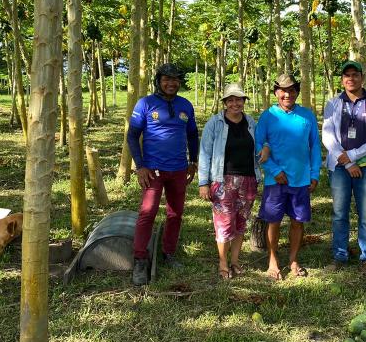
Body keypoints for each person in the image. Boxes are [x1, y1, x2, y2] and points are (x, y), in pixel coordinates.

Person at [127, 63, 199, 286]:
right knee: (147, 212)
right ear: (158, 81)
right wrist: (140, 166)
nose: (171, 83)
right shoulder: (146, 103)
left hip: (179, 169)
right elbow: (132, 136)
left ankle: (169, 253)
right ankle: (140, 259)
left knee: (175, 214)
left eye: (175, 79)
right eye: (167, 79)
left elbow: (192, 135)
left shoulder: (185, 105)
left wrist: (193, 161)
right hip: (153, 170)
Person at [321, 60, 366, 282]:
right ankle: (339, 256)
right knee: (339, 213)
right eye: (346, 75)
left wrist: (354, 155)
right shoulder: (333, 104)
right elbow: (328, 136)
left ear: (362, 77)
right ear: (342, 80)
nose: (351, 79)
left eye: (355, 74)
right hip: (340, 166)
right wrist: (347, 162)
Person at [255, 74, 321, 280]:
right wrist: (274, 171)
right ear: (276, 92)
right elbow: (258, 146)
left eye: (292, 90)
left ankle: (293, 260)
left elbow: (315, 146)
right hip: (275, 180)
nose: (287, 95)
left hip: (301, 179)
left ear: (297, 92)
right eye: (283, 90)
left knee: (297, 221)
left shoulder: (307, 116)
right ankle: (272, 260)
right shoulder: (268, 116)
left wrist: (314, 173)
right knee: (273, 221)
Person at [198, 83, 261, 280]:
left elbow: (259, 147)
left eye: (239, 99)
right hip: (223, 181)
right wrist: (203, 183)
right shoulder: (215, 123)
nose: (235, 103)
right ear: (225, 103)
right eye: (231, 100)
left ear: (244, 101)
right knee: (224, 223)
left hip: (248, 180)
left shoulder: (251, 122)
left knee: (241, 222)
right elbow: (205, 153)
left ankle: (235, 261)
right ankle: (223, 262)